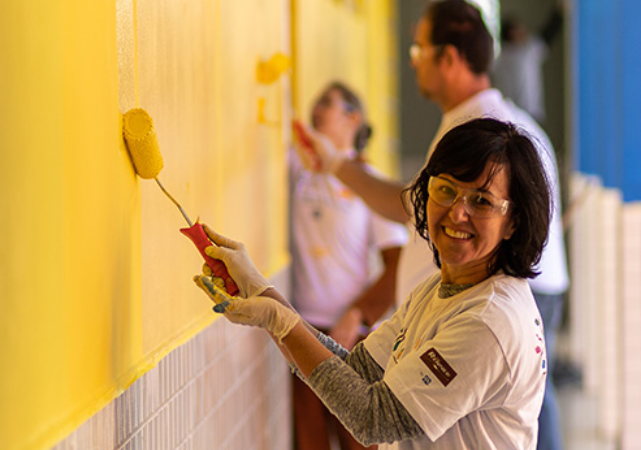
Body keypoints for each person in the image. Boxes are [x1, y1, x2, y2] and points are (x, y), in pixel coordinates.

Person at [295, 2, 569, 448]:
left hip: (519, 288)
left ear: (449, 58)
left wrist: (336, 165)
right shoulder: (500, 121)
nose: (412, 61)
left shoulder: (478, 131)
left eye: (419, 49)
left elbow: (407, 205)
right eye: (445, 192)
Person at [195, 118, 552, 449]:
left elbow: (374, 417)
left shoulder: (488, 323)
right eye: (445, 189)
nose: (458, 212)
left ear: (514, 223)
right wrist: (262, 290)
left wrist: (278, 321)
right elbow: (356, 372)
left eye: (482, 201)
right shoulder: (438, 290)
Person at [289, 81, 408, 450]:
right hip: (302, 332)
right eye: (316, 101)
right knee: (310, 441)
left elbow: (396, 265)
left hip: (350, 339)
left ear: (352, 119)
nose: (317, 108)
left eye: (329, 103)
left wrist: (358, 315)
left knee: (358, 440)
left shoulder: (368, 184)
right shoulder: (300, 172)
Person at [491, 2, 564, 123]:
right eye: (519, 28)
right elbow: (549, 33)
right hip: (527, 113)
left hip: (506, 115)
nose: (524, 31)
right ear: (512, 33)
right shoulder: (526, 51)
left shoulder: (498, 59)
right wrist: (560, 11)